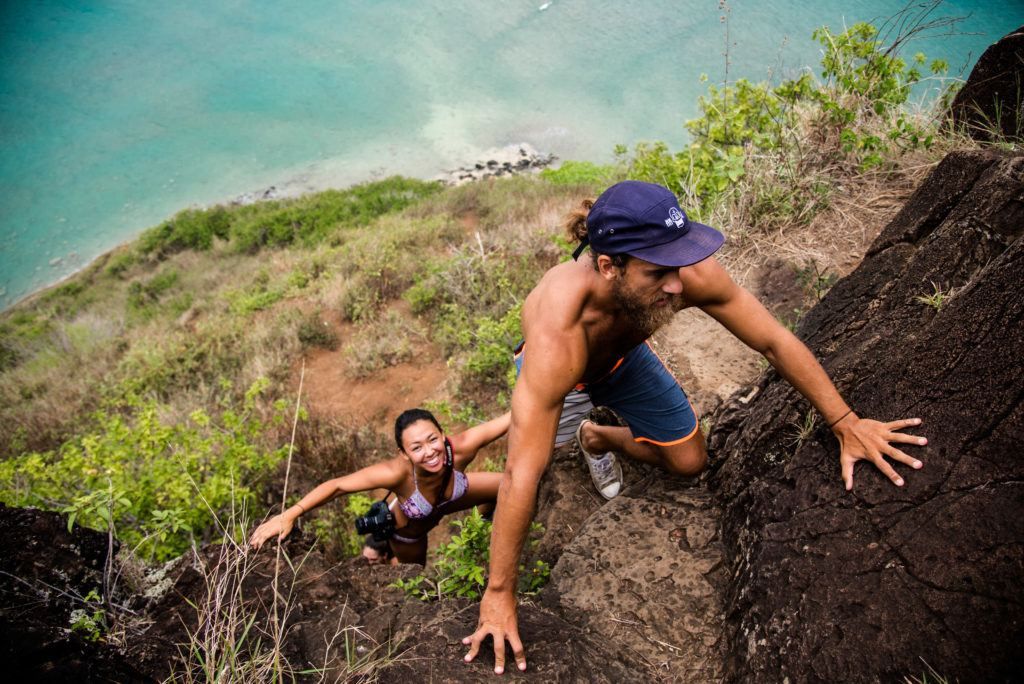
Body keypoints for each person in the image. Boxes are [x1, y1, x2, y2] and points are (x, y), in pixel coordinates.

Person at [461, 181, 928, 674]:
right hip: (566, 380)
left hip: (623, 362)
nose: (678, 286)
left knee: (690, 462)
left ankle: (597, 437)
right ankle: (558, 436)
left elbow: (772, 340)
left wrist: (846, 423)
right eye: (658, 272)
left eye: (678, 265)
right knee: (540, 462)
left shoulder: (683, 272)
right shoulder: (561, 328)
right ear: (607, 267)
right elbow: (520, 475)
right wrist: (499, 594)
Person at [249, 408, 510, 564]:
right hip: (410, 534)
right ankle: (382, 552)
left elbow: (514, 415)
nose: (430, 452)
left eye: (433, 440)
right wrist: (289, 514)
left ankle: (486, 518)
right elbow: (338, 486)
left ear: (442, 434)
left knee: (513, 482)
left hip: (451, 500)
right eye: (416, 448)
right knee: (414, 581)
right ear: (404, 453)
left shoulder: (461, 447)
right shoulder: (396, 473)